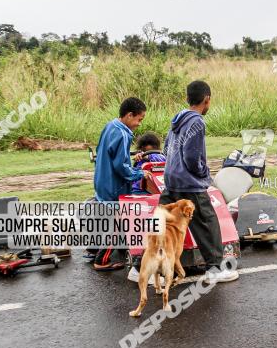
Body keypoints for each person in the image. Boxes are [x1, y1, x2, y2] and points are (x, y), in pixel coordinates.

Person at [151, 80, 238, 282]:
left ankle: (142, 268)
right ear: (206, 100)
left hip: (171, 180)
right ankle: (215, 270)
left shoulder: (176, 120)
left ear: (188, 98)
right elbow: (192, 157)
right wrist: (202, 171)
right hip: (189, 183)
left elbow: (165, 151)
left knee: (163, 225)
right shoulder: (197, 121)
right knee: (207, 223)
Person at [90, 97, 147, 270]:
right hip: (113, 186)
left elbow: (106, 153)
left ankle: (99, 248)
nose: (139, 124)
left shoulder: (110, 126)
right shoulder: (123, 134)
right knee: (117, 223)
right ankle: (101, 260)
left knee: (108, 220)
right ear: (130, 115)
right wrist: (140, 173)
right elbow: (121, 167)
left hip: (102, 181)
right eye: (139, 119)